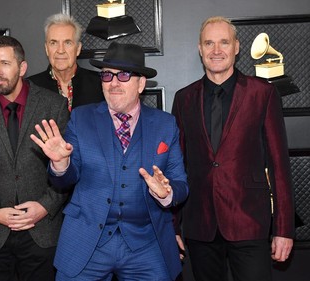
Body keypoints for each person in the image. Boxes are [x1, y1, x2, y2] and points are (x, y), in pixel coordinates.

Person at [31, 42, 189, 281]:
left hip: (146, 243)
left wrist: (165, 193)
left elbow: (181, 184)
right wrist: (61, 164)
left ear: (141, 83)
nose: (113, 83)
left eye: (124, 75)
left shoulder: (165, 125)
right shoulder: (81, 118)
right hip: (87, 241)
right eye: (107, 75)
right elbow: (66, 179)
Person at [171, 16, 295, 281]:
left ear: (237, 47)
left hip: (249, 221)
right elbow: (176, 166)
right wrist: (173, 227)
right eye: (209, 43)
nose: (216, 50)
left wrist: (284, 229)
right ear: (200, 49)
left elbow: (279, 165)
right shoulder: (183, 98)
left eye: (224, 42)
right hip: (199, 224)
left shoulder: (262, 93)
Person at [0, 36, 69, 281]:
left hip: (42, 233)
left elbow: (67, 168)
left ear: (22, 67)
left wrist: (44, 207)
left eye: (5, 63)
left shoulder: (54, 106)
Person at [27, 13, 105, 111]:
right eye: (53, 43)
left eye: (67, 43)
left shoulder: (100, 83)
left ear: (78, 49)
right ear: (47, 49)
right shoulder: (30, 87)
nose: (60, 50)